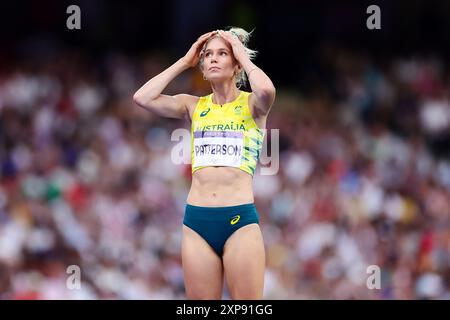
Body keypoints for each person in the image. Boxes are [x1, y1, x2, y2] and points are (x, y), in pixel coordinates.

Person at [133, 27, 276, 299]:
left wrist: (242, 56)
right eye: (208, 54)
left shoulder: (253, 105)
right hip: (197, 222)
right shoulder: (194, 105)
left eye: (222, 53)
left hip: (239, 222)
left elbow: (267, 88)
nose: (212, 58)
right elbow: (142, 98)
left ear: (235, 64)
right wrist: (186, 61)